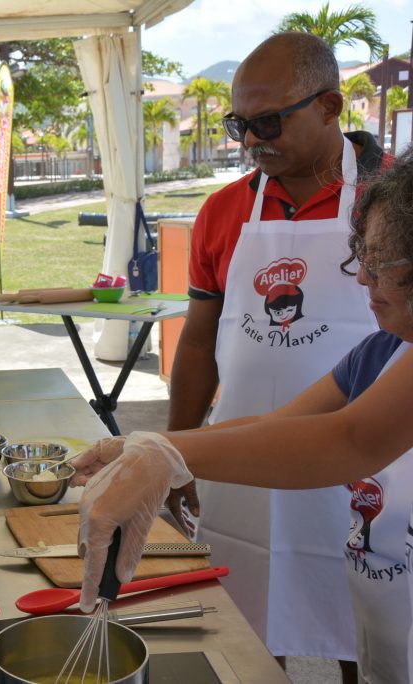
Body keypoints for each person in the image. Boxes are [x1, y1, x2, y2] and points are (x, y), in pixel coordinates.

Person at [72, 147, 413, 683]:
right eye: (359, 259)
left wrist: (169, 453)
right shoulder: (380, 352)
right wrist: (146, 444)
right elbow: (281, 426)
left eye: (378, 263)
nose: (362, 280)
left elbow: (347, 441)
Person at [164, 32, 387, 677]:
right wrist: (179, 450)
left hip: (373, 455)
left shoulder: (392, 202)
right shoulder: (224, 210)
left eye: (268, 121)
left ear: (329, 106)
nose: (250, 140)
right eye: (240, 123)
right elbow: (200, 339)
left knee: (370, 618)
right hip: (247, 448)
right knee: (248, 620)